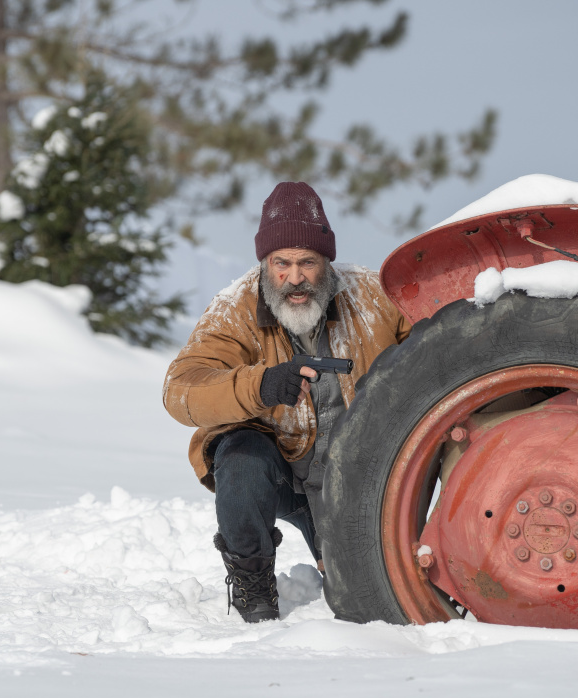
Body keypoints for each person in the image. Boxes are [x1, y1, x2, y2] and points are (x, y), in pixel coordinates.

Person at [162, 182, 411, 622]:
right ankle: (254, 589)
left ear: (327, 263)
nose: (294, 278)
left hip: (356, 480)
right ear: (265, 264)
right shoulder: (233, 309)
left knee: (367, 602)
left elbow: (435, 357)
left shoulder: (377, 295)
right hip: (278, 473)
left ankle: (342, 552)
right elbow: (181, 390)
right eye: (281, 264)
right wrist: (260, 386)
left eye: (307, 263)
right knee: (238, 456)